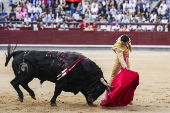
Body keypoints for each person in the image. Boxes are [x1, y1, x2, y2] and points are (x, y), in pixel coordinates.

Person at [102, 35, 132, 102]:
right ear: (120, 41)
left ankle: (126, 98)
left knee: (127, 79)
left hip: (126, 60)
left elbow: (128, 47)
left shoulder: (128, 41)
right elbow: (120, 58)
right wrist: (125, 66)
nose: (123, 45)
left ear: (127, 42)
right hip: (119, 62)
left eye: (124, 44)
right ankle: (106, 97)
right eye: (122, 43)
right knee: (112, 77)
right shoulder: (118, 46)